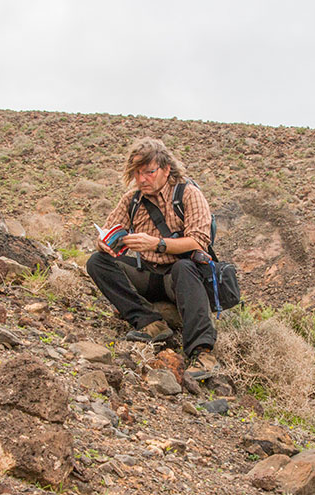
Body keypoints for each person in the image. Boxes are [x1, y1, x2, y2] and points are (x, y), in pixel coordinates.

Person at [86, 137, 218, 376]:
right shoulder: (132, 199)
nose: (142, 179)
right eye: (136, 173)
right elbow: (107, 230)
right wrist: (104, 243)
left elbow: (199, 241)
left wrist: (157, 244)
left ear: (166, 169)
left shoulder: (188, 194)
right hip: (147, 273)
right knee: (97, 262)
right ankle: (150, 323)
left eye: (149, 172)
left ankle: (203, 353)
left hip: (180, 279)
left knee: (184, 268)